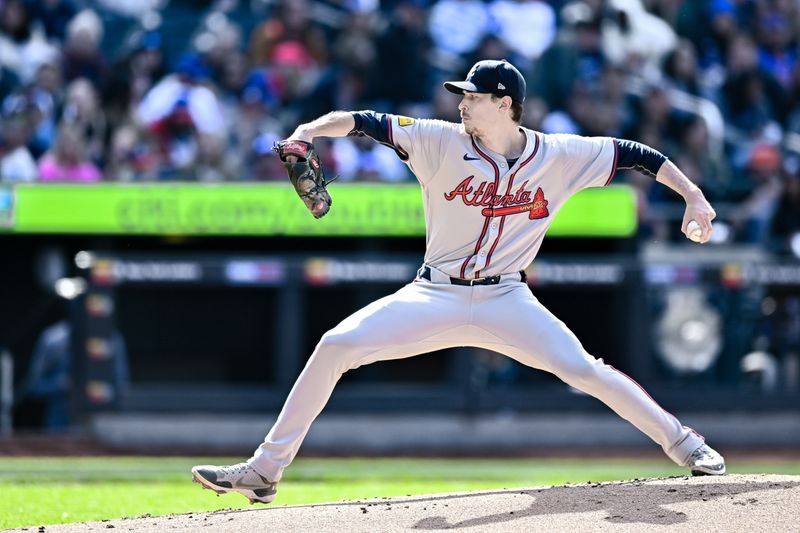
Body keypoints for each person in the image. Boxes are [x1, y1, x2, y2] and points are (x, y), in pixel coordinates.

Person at [192, 59, 726, 504]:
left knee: (583, 369)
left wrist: (694, 196)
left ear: (505, 104)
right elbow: (358, 120)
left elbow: (639, 156)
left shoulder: (559, 155)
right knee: (335, 346)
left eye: (473, 96)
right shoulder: (438, 141)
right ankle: (265, 471)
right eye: (462, 95)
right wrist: (308, 131)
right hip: (434, 293)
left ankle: (685, 444)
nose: (461, 103)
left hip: (508, 297)